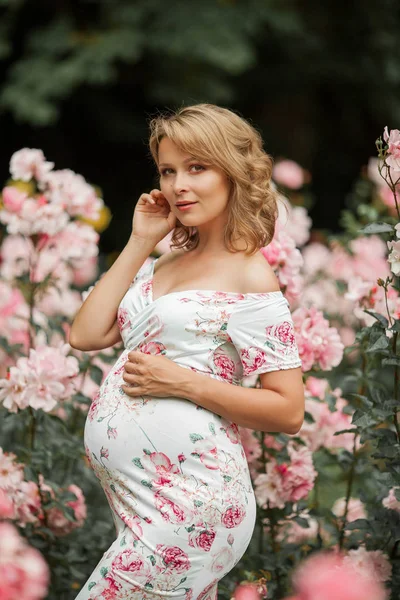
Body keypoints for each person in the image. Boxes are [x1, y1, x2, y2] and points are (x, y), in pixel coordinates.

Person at [69, 104, 304, 600]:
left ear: (233, 172)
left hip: (194, 506)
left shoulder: (250, 274)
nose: (178, 185)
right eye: (168, 170)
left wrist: (182, 383)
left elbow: (288, 409)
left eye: (197, 167)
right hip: (146, 506)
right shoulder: (168, 260)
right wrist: (139, 241)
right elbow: (86, 334)